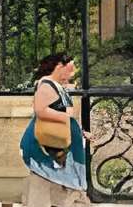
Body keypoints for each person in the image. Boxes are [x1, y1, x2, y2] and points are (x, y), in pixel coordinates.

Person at [21, 50, 91, 196]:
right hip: (42, 143)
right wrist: (67, 119)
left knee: (58, 184)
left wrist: (78, 130)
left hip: (56, 144)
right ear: (59, 66)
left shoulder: (59, 87)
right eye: (70, 70)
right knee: (50, 182)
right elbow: (40, 110)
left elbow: (69, 115)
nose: (72, 74)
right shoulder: (46, 84)